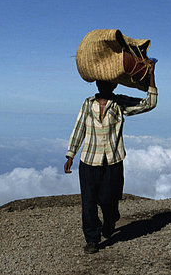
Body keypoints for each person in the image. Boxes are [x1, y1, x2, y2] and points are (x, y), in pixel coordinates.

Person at [64, 63, 157, 254]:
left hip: (113, 161)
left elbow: (149, 104)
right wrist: (70, 155)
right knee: (88, 203)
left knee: (108, 200)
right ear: (96, 84)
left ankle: (110, 220)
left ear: (114, 86)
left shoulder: (119, 104)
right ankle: (92, 240)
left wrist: (151, 76)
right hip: (89, 161)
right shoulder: (87, 104)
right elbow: (79, 128)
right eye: (101, 83)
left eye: (108, 83)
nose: (104, 86)